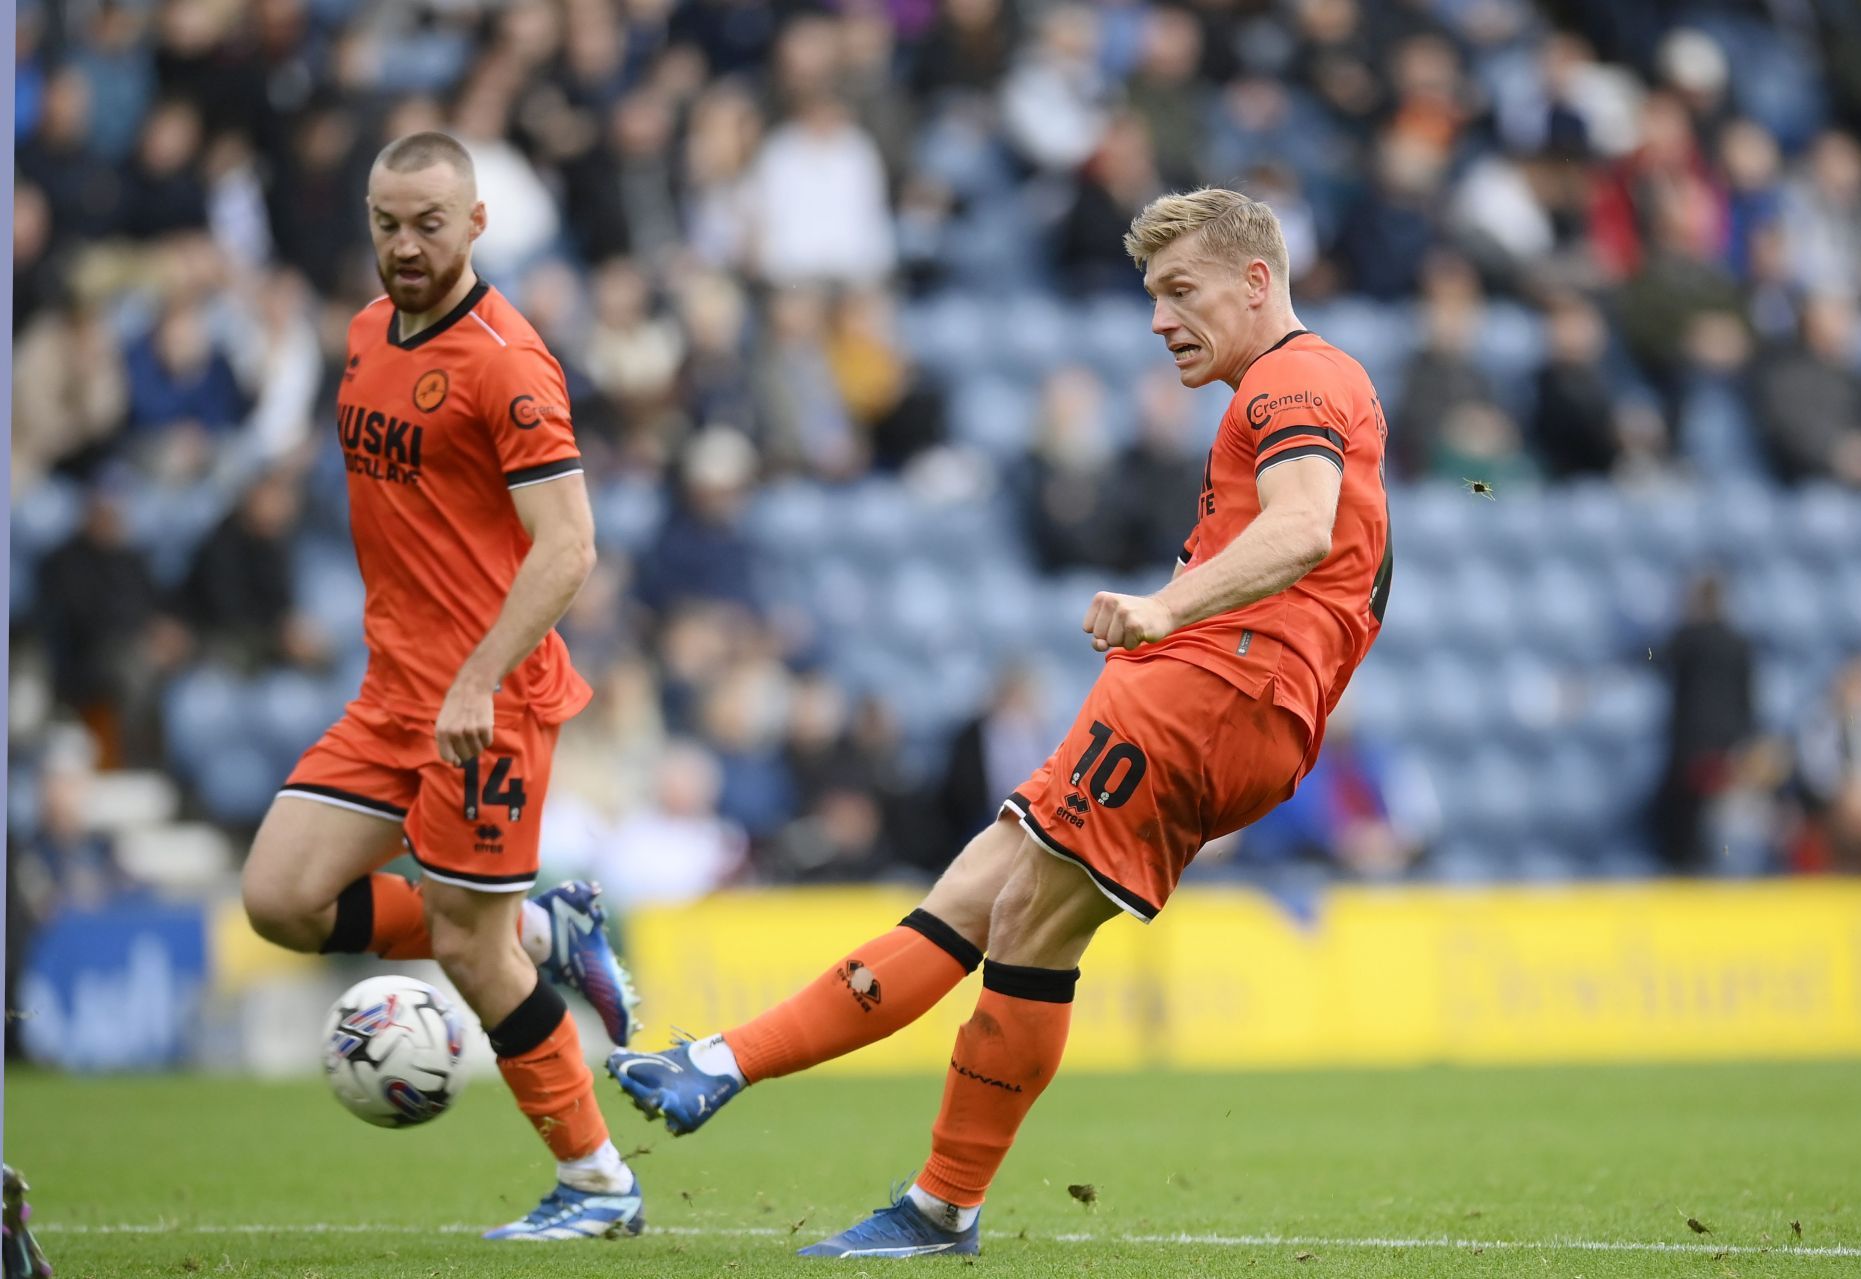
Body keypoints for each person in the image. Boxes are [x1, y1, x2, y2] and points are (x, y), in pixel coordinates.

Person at [608, 187, 1392, 1257]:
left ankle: (941, 1204)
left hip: (1209, 692)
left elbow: (1303, 529)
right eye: (1151, 295)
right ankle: (722, 1062)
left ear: (1258, 282)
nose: (1159, 319)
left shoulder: (1298, 376)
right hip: (1210, 693)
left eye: (1180, 290)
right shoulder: (1301, 391)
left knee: (1028, 925)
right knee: (973, 893)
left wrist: (1169, 607)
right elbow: (1345, 569)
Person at [237, 132, 642, 1241]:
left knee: (470, 948)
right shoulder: (366, 332)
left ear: (475, 225)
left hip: (487, 708)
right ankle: (544, 934)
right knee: (281, 896)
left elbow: (568, 547)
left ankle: (599, 1184)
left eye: (427, 223)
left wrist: (475, 677)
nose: (404, 245)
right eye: (385, 222)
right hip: (393, 696)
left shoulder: (508, 362)